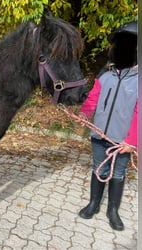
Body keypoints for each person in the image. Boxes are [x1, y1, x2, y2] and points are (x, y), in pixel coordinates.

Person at [77, 21, 138, 231]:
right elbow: (93, 98)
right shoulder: (105, 74)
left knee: (118, 173)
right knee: (98, 168)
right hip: (98, 134)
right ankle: (93, 204)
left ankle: (113, 210)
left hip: (121, 141)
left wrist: (132, 141)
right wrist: (84, 114)